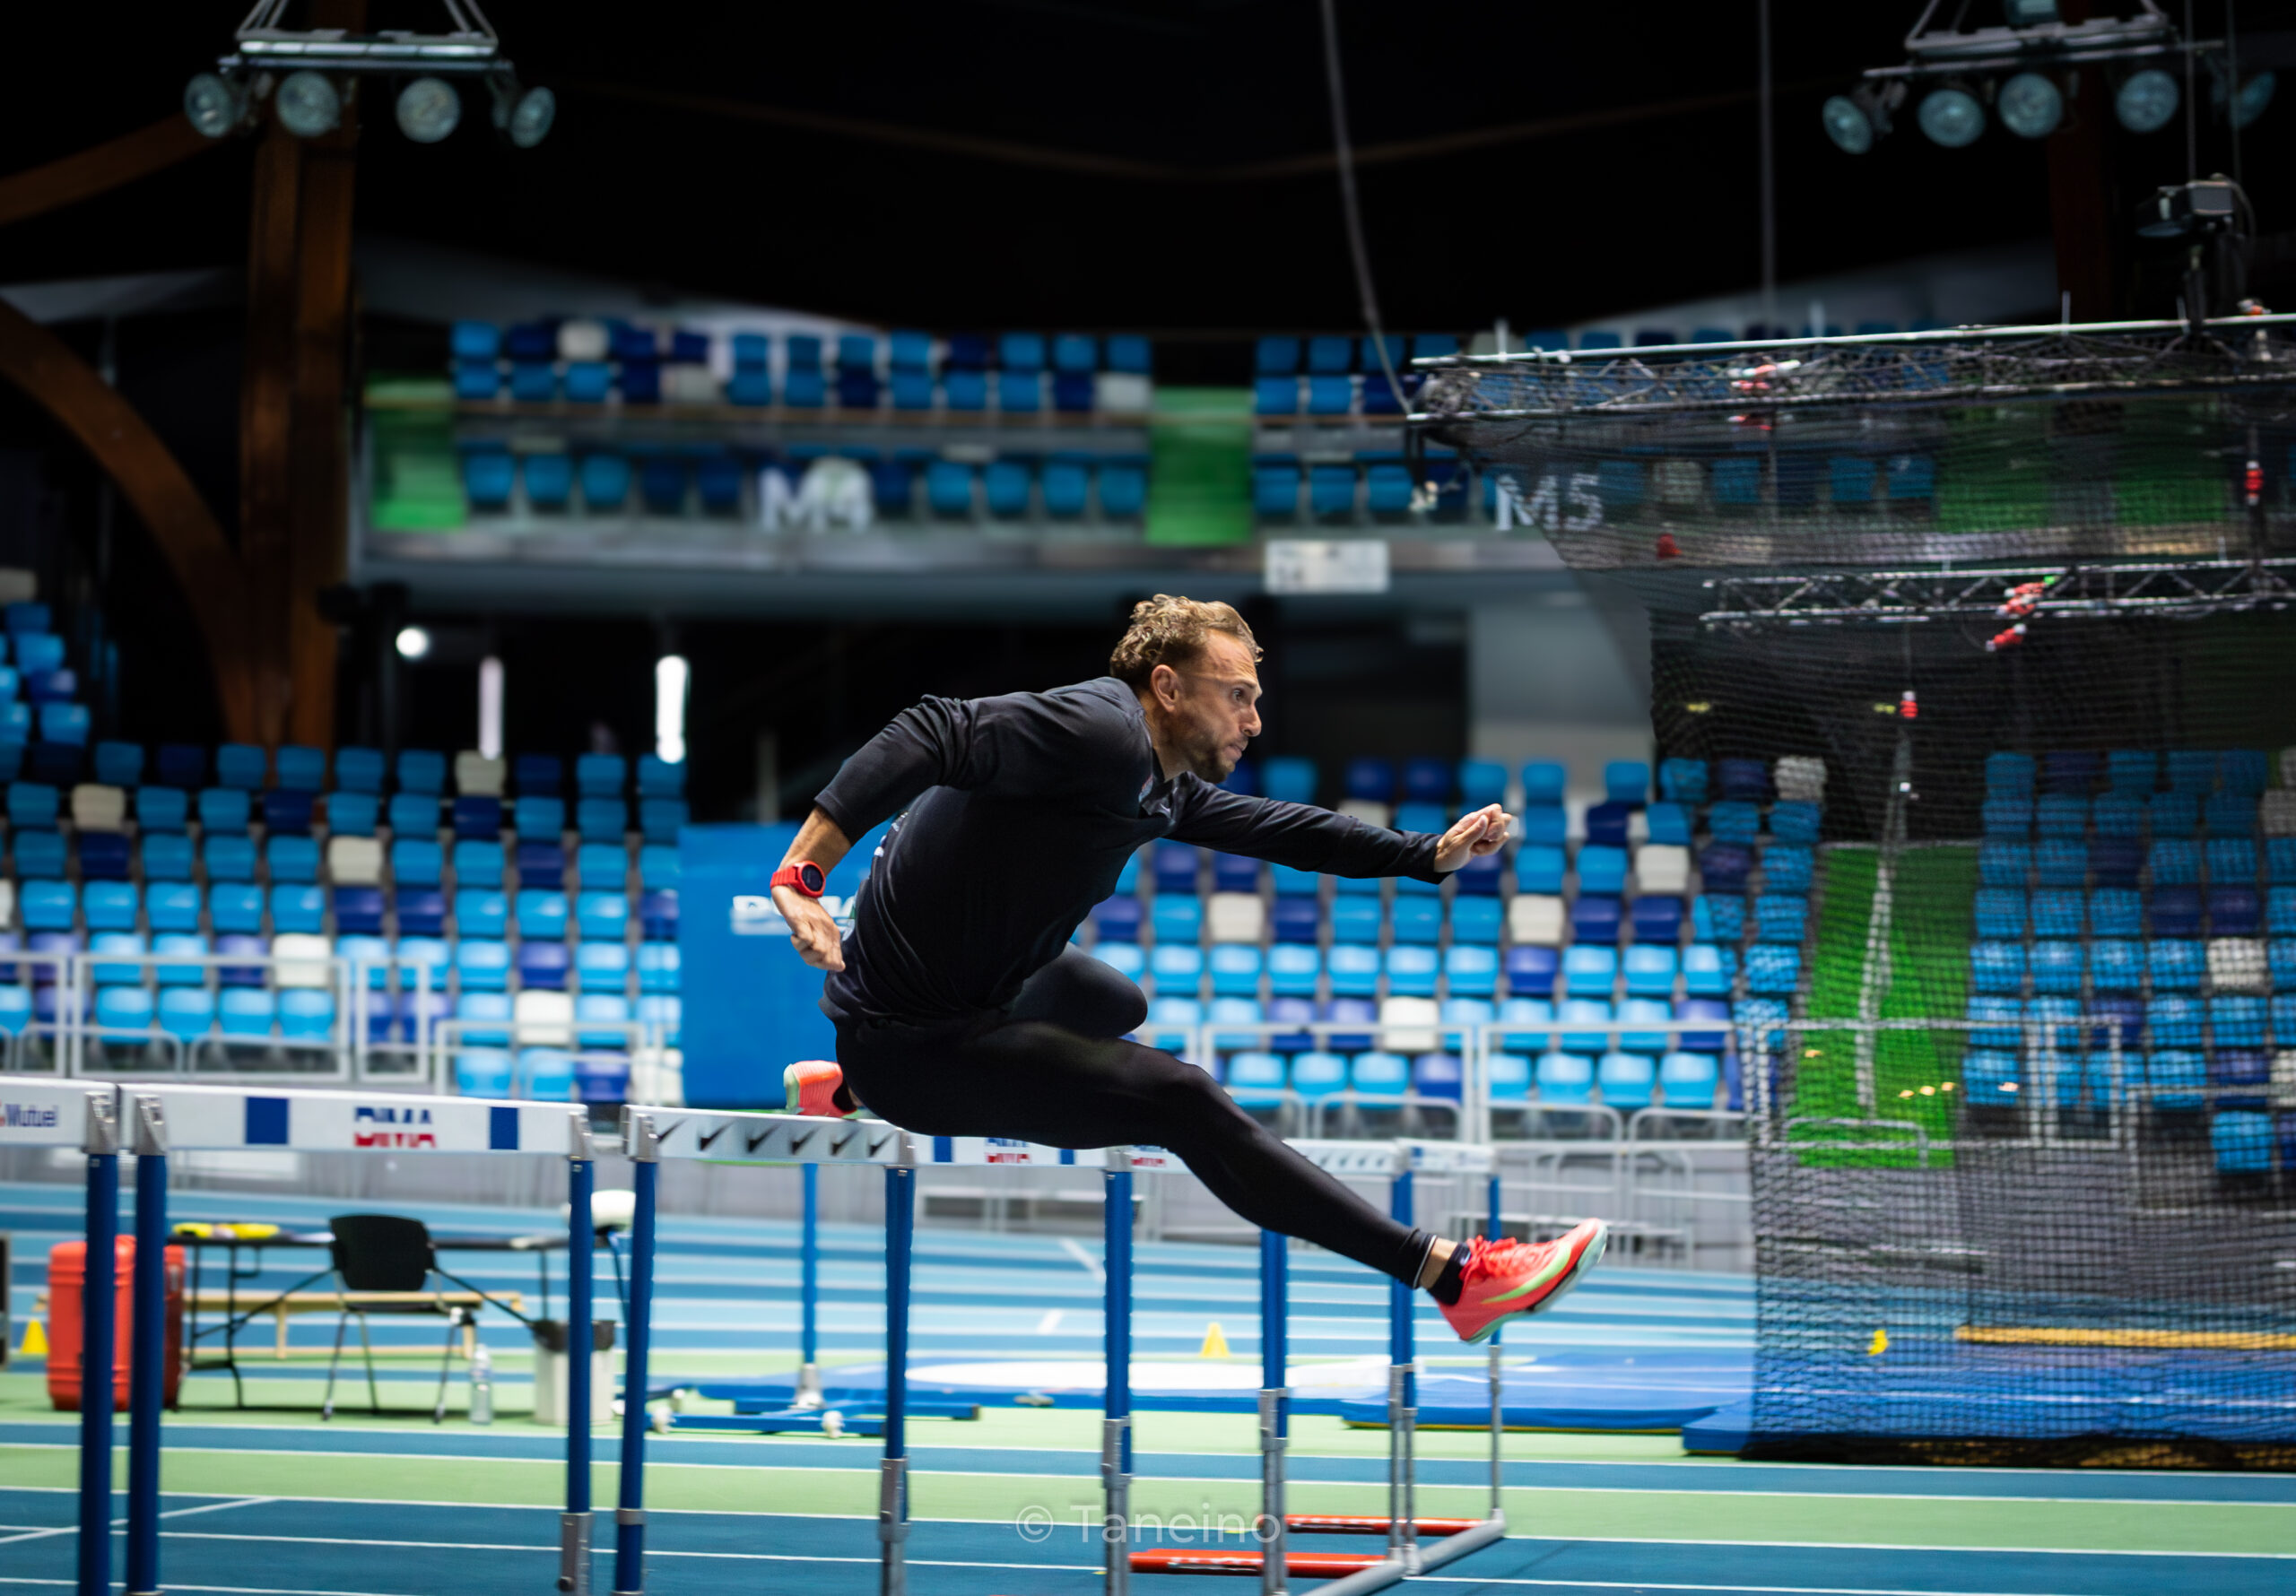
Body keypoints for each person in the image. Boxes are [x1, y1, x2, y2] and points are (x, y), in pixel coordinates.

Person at [770, 595, 1605, 1342]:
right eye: (1236, 695)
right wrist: (803, 875)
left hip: (958, 986)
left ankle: (844, 1086)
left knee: (1114, 1003)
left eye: (1255, 699)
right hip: (912, 1040)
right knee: (1181, 1097)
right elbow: (934, 728)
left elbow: (1282, 828)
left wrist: (1426, 854)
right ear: (1167, 688)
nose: (1254, 721)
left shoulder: (1158, 784)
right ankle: (1455, 1277)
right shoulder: (1100, 731)